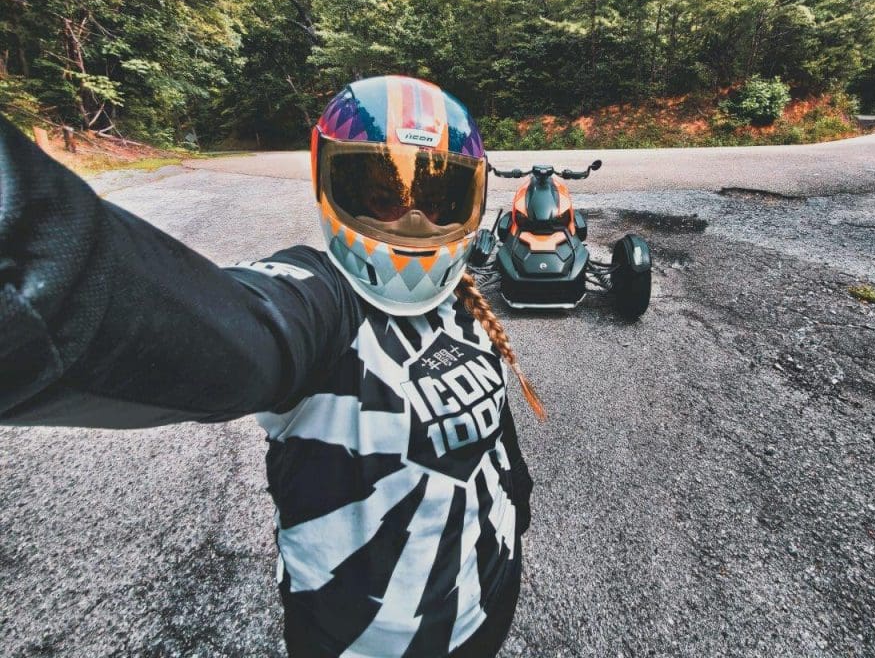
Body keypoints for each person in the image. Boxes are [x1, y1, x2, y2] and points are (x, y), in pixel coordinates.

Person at [0, 75, 541, 658]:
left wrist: (521, 505)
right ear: (330, 179)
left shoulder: (462, 301)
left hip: (485, 610)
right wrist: (33, 260)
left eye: (437, 200)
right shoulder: (323, 301)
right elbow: (222, 329)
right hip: (358, 644)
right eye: (383, 193)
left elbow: (494, 440)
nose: (412, 221)